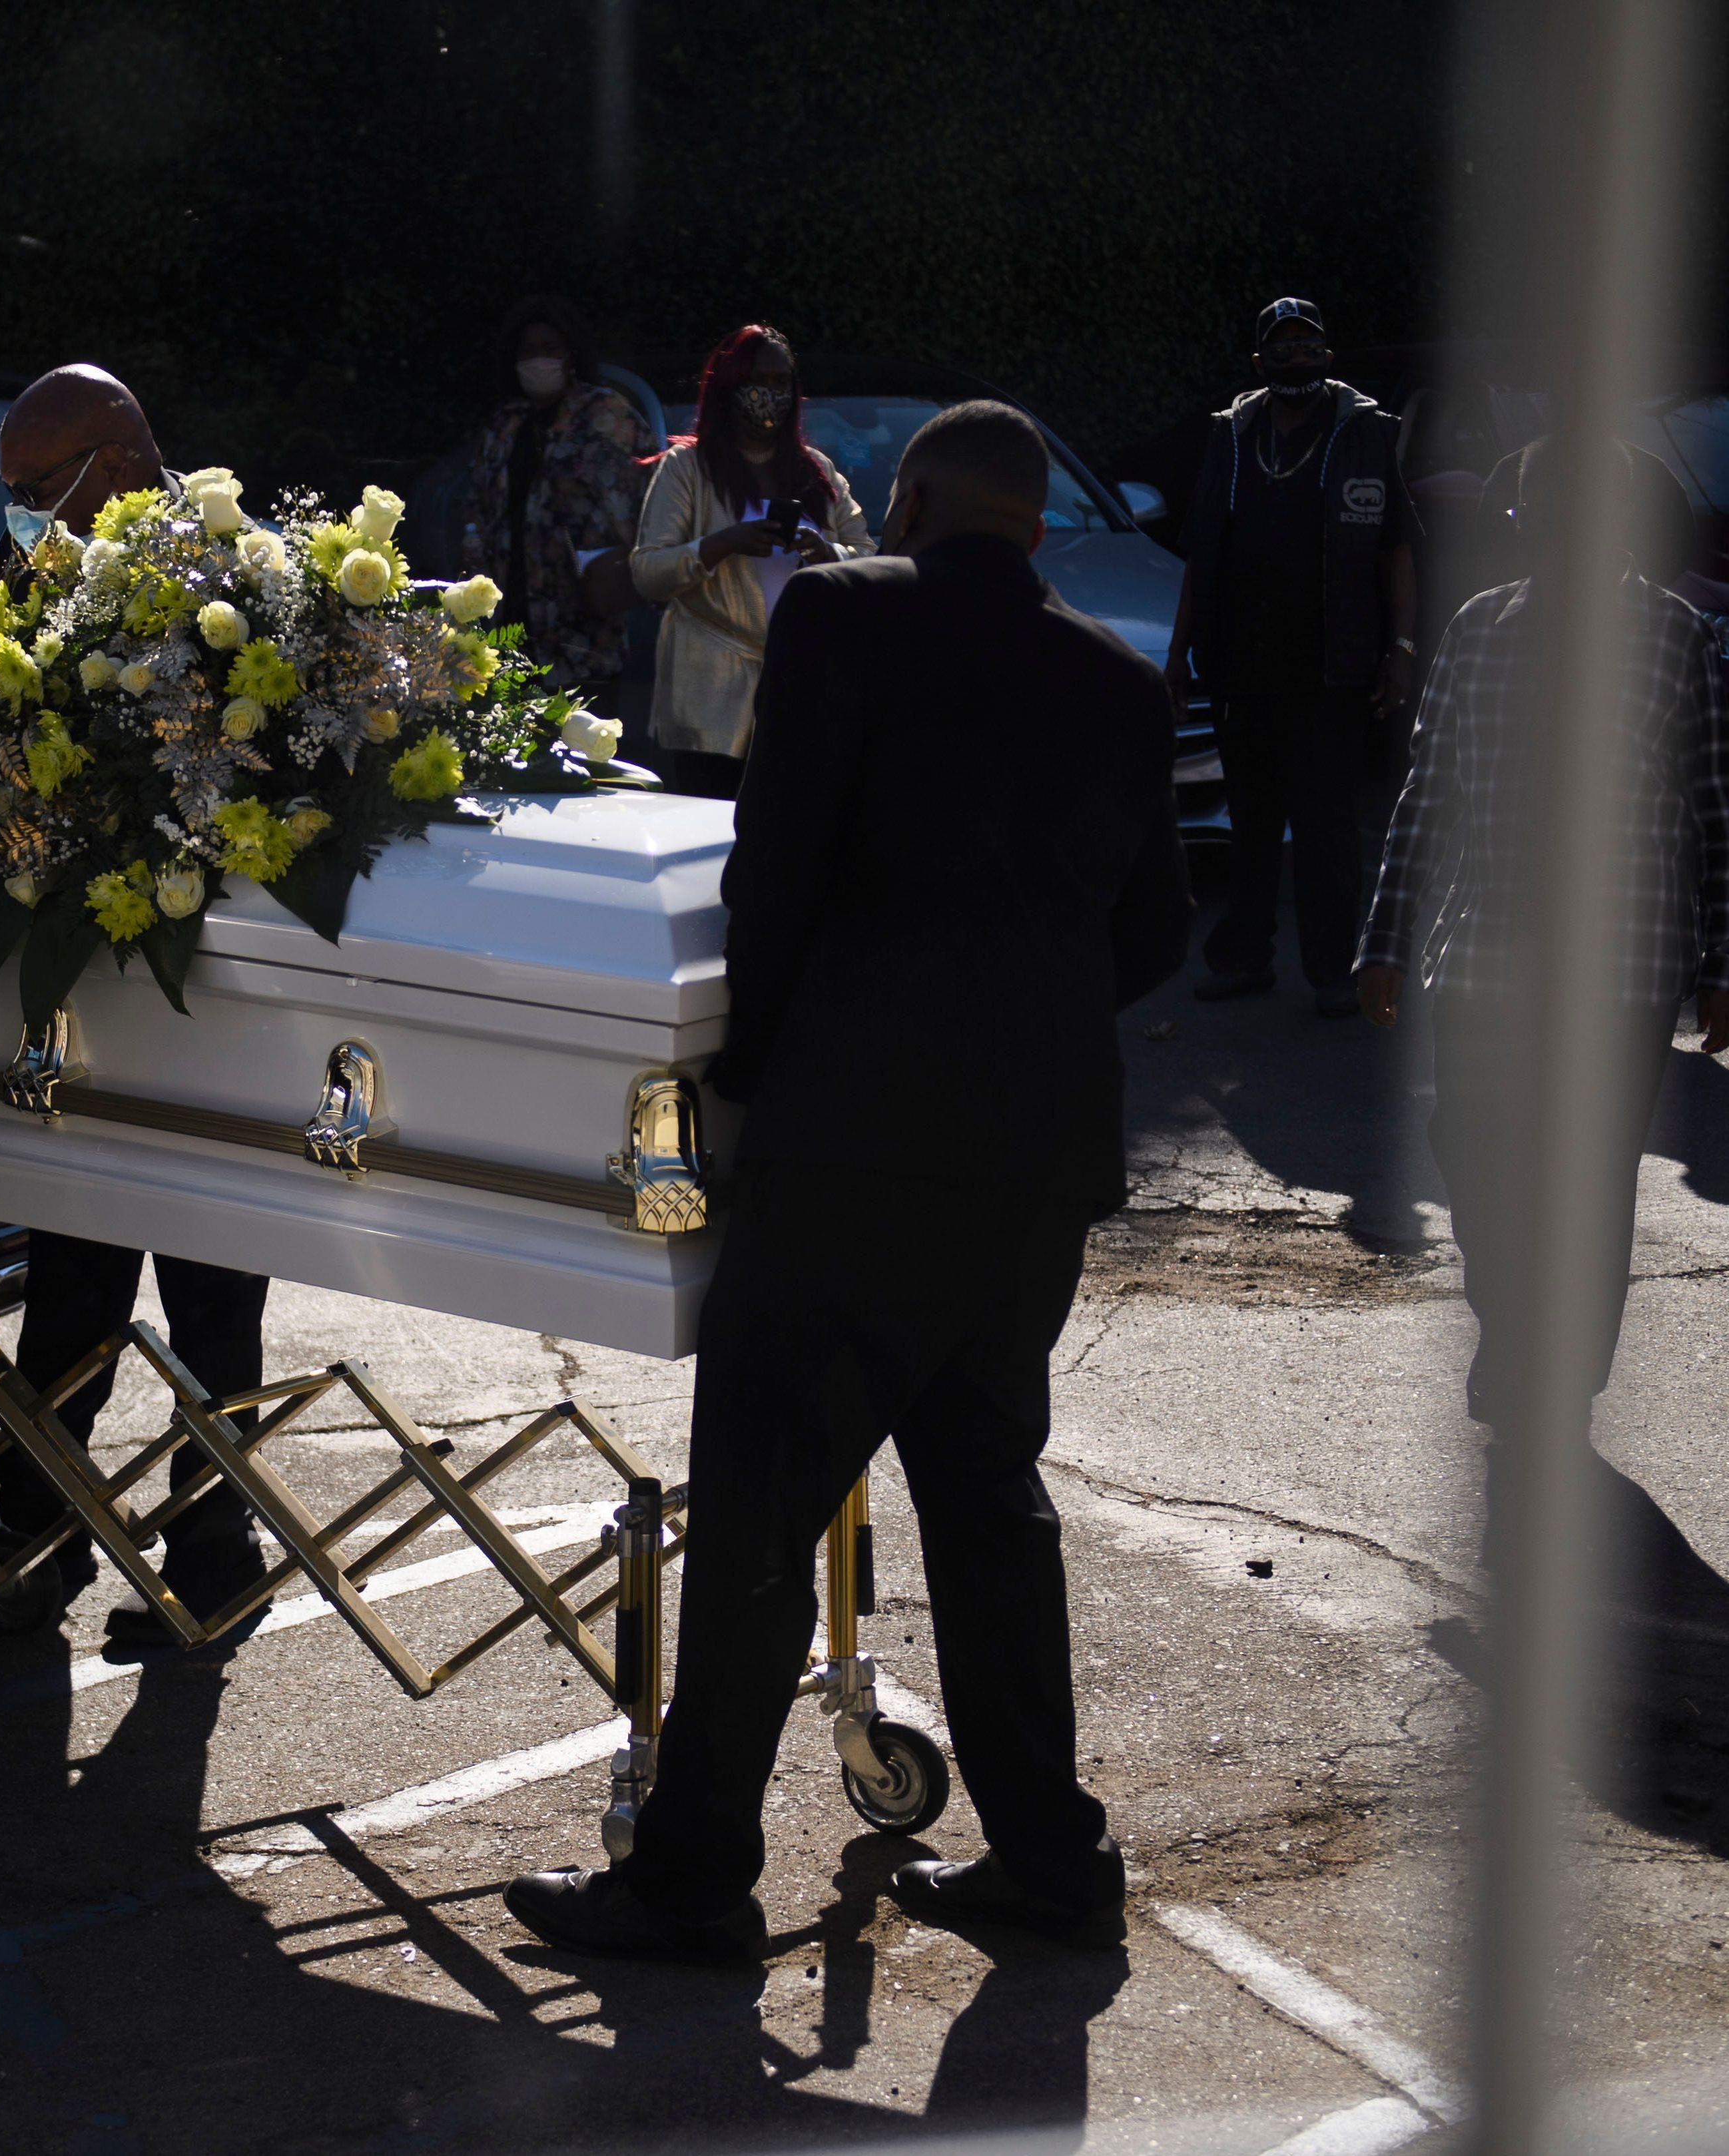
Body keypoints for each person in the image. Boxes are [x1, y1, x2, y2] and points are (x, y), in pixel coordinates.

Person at [505, 402, 1191, 1962]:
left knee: (757, 1504)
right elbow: (1148, 931)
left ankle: (687, 1878)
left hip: (853, 1143)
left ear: (921, 496)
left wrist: (751, 1067)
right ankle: (1048, 1859)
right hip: (1029, 1160)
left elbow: (777, 857)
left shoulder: (841, 613)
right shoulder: (1117, 677)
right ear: (1027, 520)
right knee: (986, 1502)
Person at [1357, 433, 1729, 1447]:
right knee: (1472, 1151)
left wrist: (1721, 967)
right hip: (1481, 957)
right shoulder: (1476, 628)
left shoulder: (1675, 635)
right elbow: (1425, 796)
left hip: (1623, 966)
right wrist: (1382, 941)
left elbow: (1716, 809)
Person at [0, 365, 275, 1644]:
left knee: (216, 1304)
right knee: (69, 1292)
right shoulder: (43, 586)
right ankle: (37, 1528)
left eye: (35, 490)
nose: (21, 516)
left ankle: (213, 1548)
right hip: (96, 1007)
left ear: (113, 459)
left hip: (213, 1013)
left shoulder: (243, 584)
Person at [1169, 298, 1418, 1015]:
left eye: (1309, 345)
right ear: (1259, 362)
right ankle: (1244, 960)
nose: (1297, 357)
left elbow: (1397, 549)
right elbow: (1199, 555)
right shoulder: (1230, 436)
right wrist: (1180, 654)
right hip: (1240, 669)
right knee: (1248, 824)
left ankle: (1333, 972)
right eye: (1282, 347)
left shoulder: (1363, 431)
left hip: (1330, 670)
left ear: (1327, 355)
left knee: (1325, 827)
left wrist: (1400, 649)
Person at [629, 323, 872, 798]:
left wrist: (828, 554)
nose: (771, 394)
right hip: (710, 696)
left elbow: (869, 558)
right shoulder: (687, 468)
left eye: (783, 383)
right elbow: (647, 573)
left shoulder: (816, 471)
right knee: (713, 830)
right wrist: (725, 542)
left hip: (804, 686)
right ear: (730, 385)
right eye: (759, 380)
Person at [451, 297, 656, 702]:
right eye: (528, 351)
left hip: (583, 632)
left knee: (587, 752)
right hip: (511, 625)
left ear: (570, 353)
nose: (539, 359)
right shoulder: (505, 423)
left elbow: (647, 499)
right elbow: (478, 504)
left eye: (550, 349)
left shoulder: (607, 414)